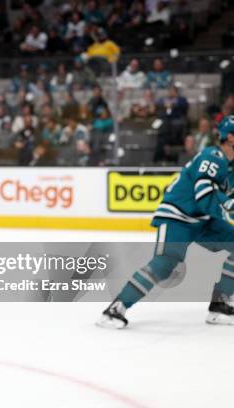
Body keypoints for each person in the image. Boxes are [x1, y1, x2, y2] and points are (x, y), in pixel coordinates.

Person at [98, 115, 234, 328]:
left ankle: (220, 306)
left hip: (202, 220)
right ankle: (115, 309)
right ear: (231, 138)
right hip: (177, 216)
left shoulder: (230, 167)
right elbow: (204, 194)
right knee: (165, 263)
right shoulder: (213, 156)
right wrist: (229, 207)